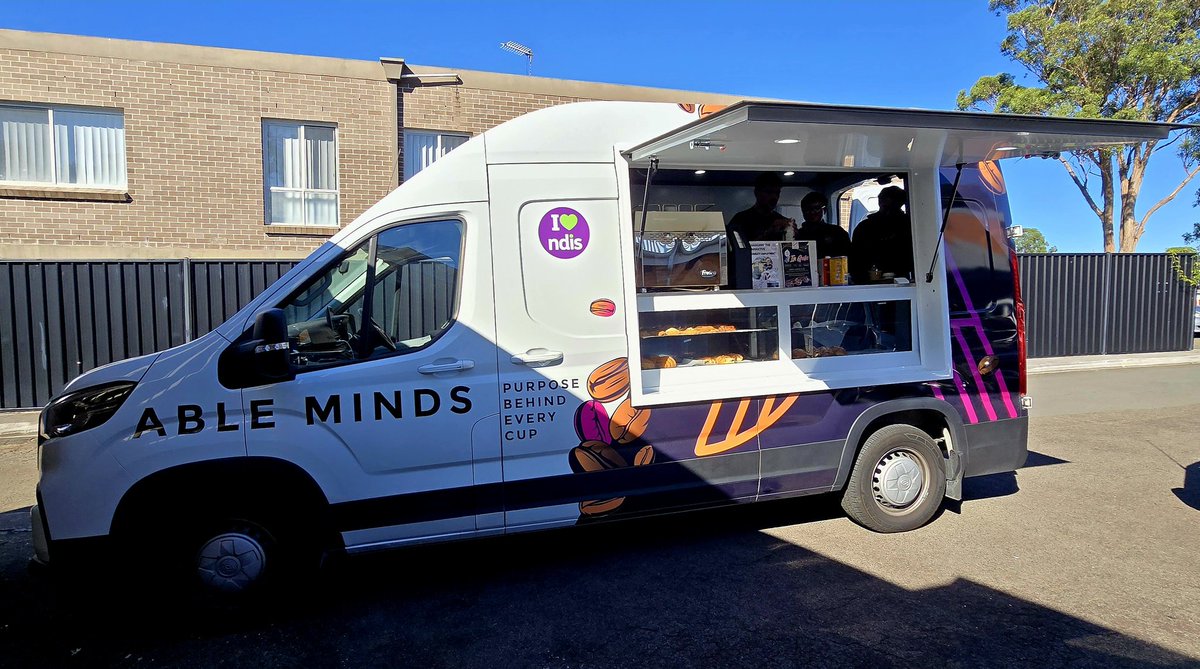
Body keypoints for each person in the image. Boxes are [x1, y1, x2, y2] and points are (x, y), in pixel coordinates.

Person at [726, 172, 793, 288]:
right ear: (757, 193)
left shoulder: (782, 221)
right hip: (746, 281)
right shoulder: (741, 220)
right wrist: (769, 232)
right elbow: (735, 254)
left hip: (777, 281)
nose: (774, 197)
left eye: (777, 193)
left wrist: (794, 236)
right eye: (769, 192)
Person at [850, 185, 914, 284]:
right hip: (874, 281)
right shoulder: (912, 226)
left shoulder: (909, 226)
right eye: (886, 204)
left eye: (892, 204)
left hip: (901, 279)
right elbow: (855, 260)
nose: (888, 210)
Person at [794, 191, 851, 259]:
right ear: (802, 211)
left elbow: (848, 258)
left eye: (816, 208)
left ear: (824, 210)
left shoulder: (837, 232)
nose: (812, 212)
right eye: (807, 209)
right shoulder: (798, 235)